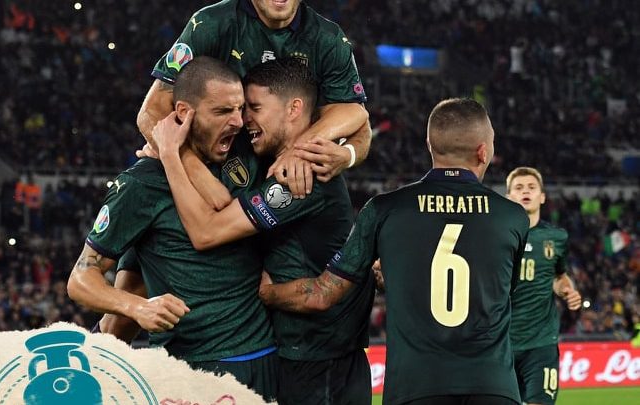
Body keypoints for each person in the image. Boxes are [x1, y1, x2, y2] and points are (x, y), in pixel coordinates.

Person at [259, 98, 530, 405]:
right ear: (483, 151)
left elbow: (322, 294)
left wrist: (269, 293)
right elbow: (495, 290)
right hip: (493, 386)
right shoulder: (513, 217)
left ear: (429, 145)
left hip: (414, 388)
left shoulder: (384, 210)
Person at [150, 58, 374, 405]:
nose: (244, 121)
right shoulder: (276, 163)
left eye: (254, 108)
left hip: (321, 361)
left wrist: (171, 153)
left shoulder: (302, 175)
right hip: (308, 355)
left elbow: (206, 233)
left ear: (293, 109)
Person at [67, 56, 277, 401]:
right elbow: (80, 279)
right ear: (183, 112)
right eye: (222, 111)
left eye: (240, 109)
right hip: (192, 369)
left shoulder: (249, 156)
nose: (238, 121)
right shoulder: (142, 184)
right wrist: (138, 307)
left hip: (265, 360)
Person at [138, 0, 372, 198]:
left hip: (291, 182)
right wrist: (192, 168)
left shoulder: (328, 39)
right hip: (217, 170)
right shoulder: (211, 24)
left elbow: (358, 121)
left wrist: (343, 154)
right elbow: (153, 109)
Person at [505, 167, 582, 405]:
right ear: (509, 197)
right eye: (519, 188)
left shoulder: (556, 237)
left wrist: (567, 290)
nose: (525, 192)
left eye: (531, 187)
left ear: (542, 196)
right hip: (502, 342)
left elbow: (559, 276)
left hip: (541, 342)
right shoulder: (496, 236)